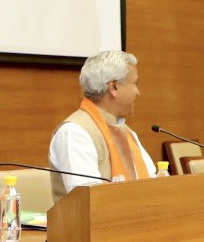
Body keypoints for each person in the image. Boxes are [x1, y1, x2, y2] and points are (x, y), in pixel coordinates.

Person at [48, 50, 155, 201]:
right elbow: (88, 198)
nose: (138, 92)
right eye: (135, 83)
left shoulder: (127, 132)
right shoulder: (75, 131)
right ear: (113, 87)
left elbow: (154, 182)